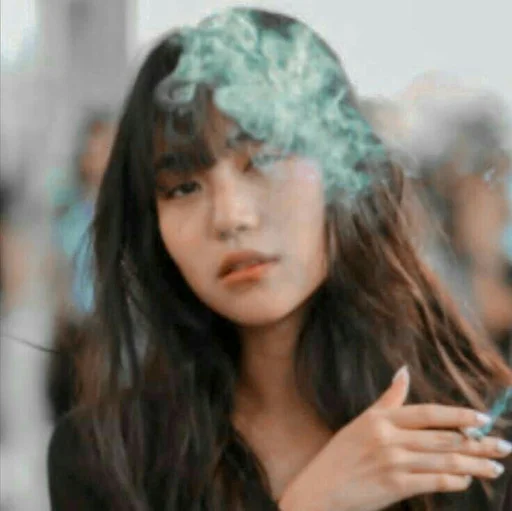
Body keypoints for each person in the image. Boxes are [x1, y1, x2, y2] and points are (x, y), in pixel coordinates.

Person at [47, 8, 512, 511]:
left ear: (340, 171)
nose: (230, 216)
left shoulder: (473, 432)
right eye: (182, 187)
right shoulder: (106, 457)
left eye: (264, 159)